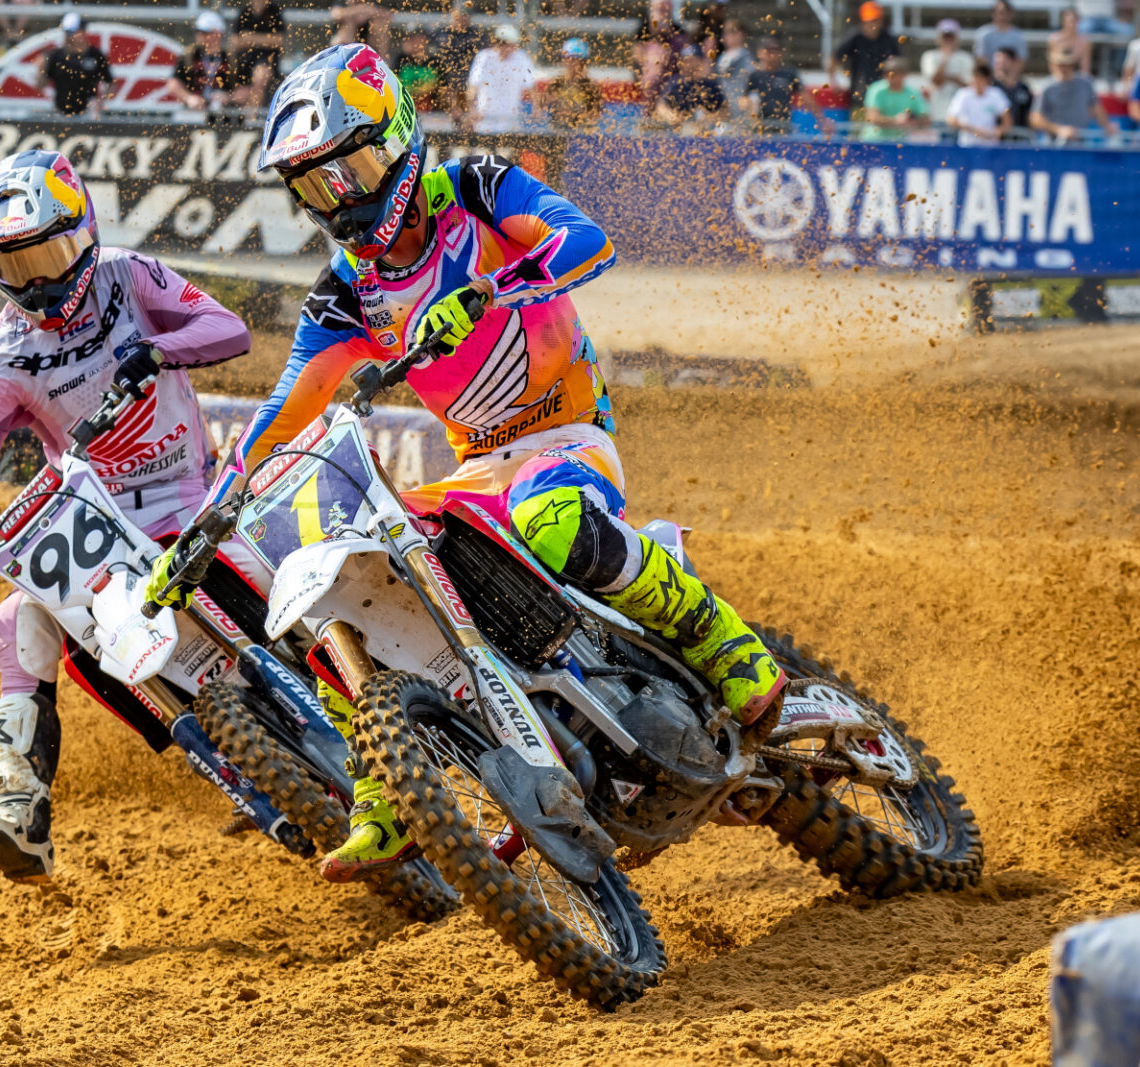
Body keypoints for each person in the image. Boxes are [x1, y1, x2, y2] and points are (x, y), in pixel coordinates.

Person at [143, 44, 786, 878]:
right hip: (478, 465)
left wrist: (487, 291)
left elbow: (588, 243)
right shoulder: (346, 292)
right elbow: (282, 413)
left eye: (350, 171)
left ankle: (723, 640)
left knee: (551, 520)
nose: (342, 201)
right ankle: (387, 785)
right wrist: (209, 519)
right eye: (316, 188)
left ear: (396, 140)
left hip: (565, 434)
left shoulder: (477, 189)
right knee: (347, 578)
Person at [0, 150, 256, 884]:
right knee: (17, 619)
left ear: (84, 234)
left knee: (279, 576)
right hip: (100, 522)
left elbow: (229, 330)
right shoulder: (0, 355)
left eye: (50, 257)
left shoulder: (130, 276)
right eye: (17, 267)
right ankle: (21, 809)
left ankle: (372, 722)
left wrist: (157, 350)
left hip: (190, 495)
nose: (40, 283)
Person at [829, 1, 901, 107]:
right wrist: (833, 81)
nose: (872, 24)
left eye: (875, 20)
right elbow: (834, 56)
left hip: (885, 95)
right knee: (859, 117)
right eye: (869, 21)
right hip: (859, 94)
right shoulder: (855, 37)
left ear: (881, 21)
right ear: (862, 22)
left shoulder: (889, 40)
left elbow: (899, 65)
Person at [466, 24, 537, 133]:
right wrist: (472, 109)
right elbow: (473, 87)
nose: (507, 48)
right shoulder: (484, 57)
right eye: (504, 44)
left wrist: (536, 108)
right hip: (485, 120)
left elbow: (531, 87)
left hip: (510, 121)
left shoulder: (522, 58)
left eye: (511, 45)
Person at [40, 14, 114, 117]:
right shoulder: (56, 56)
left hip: (88, 112)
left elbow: (110, 83)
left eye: (73, 32)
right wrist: (41, 69)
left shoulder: (95, 55)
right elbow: (41, 84)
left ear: (83, 32)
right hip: (60, 111)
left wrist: (101, 100)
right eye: (68, 32)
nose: (70, 36)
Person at [1031, 47, 1110, 140]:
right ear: (1053, 65)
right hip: (1054, 141)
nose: (1064, 68)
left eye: (1067, 64)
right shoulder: (1046, 87)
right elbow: (1035, 119)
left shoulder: (1086, 84)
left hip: (1080, 140)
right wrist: (1058, 130)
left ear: (1072, 65)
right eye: (1060, 64)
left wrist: (1107, 126)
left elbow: (1096, 109)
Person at [173, 11, 243, 110]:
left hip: (225, 113)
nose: (199, 36)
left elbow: (246, 89)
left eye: (205, 33)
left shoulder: (232, 58)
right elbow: (173, 83)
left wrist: (229, 98)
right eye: (198, 32)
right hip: (194, 112)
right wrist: (188, 98)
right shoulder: (189, 55)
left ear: (218, 34)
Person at [431, 2, 489, 118]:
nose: (463, 18)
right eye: (461, 15)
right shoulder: (440, 34)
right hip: (445, 88)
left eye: (466, 15)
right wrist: (451, 102)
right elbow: (434, 65)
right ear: (453, 14)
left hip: (470, 88)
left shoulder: (478, 36)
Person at [742, 35, 802, 135]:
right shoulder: (755, 75)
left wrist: (822, 120)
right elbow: (744, 99)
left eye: (776, 50)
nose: (772, 54)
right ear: (760, 52)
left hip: (782, 125)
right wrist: (749, 107)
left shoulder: (788, 73)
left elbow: (806, 97)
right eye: (768, 50)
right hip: (759, 125)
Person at [634, 0, 691, 104]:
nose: (663, 10)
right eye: (660, 8)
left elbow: (686, 57)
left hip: (673, 75)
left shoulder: (679, 32)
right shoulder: (644, 30)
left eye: (666, 7)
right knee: (654, 66)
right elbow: (638, 54)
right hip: (651, 73)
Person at [657, 42, 727, 125]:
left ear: (700, 62)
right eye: (685, 61)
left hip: (706, 130)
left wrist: (709, 118)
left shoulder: (710, 85)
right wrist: (672, 116)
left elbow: (725, 111)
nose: (688, 64)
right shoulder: (676, 82)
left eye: (692, 60)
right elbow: (661, 106)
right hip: (680, 129)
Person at [232, 0, 286, 107]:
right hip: (245, 65)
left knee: (260, 75)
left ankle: (252, 115)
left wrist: (250, 38)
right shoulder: (245, 11)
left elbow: (278, 41)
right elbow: (235, 42)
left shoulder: (274, 11)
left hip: (267, 63)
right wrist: (265, 40)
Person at [921, 20, 975, 125]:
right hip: (937, 113)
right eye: (945, 37)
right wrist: (945, 59)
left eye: (951, 37)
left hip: (961, 117)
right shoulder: (929, 56)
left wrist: (950, 78)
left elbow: (970, 86)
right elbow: (936, 81)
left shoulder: (966, 58)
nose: (948, 40)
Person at [544, 37, 605, 129]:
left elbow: (595, 116)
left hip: (581, 132)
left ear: (583, 63)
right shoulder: (556, 84)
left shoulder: (591, 87)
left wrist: (571, 115)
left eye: (574, 59)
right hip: (559, 131)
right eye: (567, 59)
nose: (571, 63)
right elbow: (546, 112)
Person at [948, 60, 1014, 143]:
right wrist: (973, 130)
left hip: (990, 145)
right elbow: (951, 119)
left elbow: (1007, 117)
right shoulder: (963, 94)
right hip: (968, 144)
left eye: (981, 79)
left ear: (987, 80)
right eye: (976, 78)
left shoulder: (996, 94)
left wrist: (997, 131)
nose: (978, 83)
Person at [862, 56, 929, 140]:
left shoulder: (913, 93)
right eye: (887, 73)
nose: (889, 76)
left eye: (894, 73)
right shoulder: (876, 90)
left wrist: (913, 121)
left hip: (900, 141)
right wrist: (895, 121)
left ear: (903, 75)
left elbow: (926, 118)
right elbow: (872, 118)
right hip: (874, 141)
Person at [395, 30, 443, 111]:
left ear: (426, 41)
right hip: (405, 109)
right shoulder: (402, 60)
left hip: (432, 111)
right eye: (414, 40)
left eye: (420, 40)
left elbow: (444, 89)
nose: (417, 43)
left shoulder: (435, 62)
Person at [992, 46, 1034, 129]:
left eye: (1003, 61)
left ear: (1013, 62)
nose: (999, 65)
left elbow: (1030, 114)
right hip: (995, 133)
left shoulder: (1023, 88)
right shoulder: (991, 87)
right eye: (997, 62)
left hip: (1021, 133)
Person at [715, 19, 754, 100]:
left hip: (738, 100)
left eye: (729, 32)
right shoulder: (722, 56)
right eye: (724, 33)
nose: (724, 36)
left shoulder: (744, 56)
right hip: (723, 101)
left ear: (740, 34)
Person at [1048, 8, 1092, 75]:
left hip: (1076, 76)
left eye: (1075, 20)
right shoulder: (1055, 39)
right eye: (1071, 20)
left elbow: (1085, 68)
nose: (1072, 24)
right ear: (1064, 20)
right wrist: (1061, 77)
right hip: (1059, 76)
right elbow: (1053, 64)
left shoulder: (1084, 42)